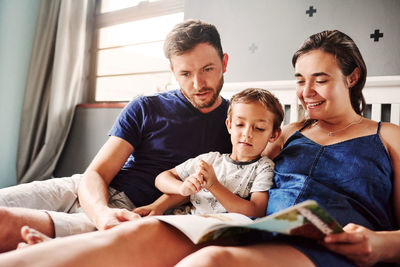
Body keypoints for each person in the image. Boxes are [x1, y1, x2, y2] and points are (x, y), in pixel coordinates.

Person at [0, 30, 399, 267]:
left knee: (209, 261)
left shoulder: (388, 137)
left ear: (353, 77)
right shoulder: (288, 133)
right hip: (253, 231)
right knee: (143, 233)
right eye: (299, 79)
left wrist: (378, 245)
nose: (307, 92)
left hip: (325, 246)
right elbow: (239, 156)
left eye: (321, 80)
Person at [0, 19, 232, 252]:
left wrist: (113, 216)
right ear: (173, 71)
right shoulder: (146, 107)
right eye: (185, 73)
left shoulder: (240, 124)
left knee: (7, 227)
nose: (197, 83)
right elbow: (97, 173)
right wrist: (101, 213)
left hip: (127, 209)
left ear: (224, 63)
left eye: (207, 69)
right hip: (85, 189)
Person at [146, 88, 283, 218]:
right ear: (229, 126)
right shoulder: (210, 160)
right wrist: (182, 188)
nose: (247, 134)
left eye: (259, 128)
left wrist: (213, 185)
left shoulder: (263, 167)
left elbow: (256, 211)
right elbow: (162, 178)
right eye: (240, 124)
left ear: (274, 135)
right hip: (185, 220)